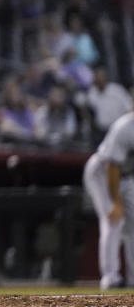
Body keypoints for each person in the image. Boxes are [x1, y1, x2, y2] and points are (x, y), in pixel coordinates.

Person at [82, 112, 134, 289]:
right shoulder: (125, 127)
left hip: (127, 176)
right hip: (103, 172)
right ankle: (110, 279)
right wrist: (117, 203)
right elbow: (112, 166)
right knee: (114, 220)